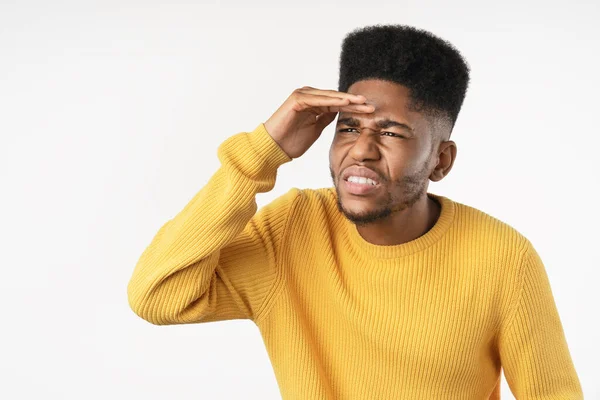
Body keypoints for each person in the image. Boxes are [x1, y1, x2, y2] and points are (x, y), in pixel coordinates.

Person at [127, 24, 583, 399]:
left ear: (440, 161)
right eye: (348, 127)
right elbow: (158, 296)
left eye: (391, 133)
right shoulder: (293, 230)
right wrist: (261, 155)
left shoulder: (504, 258)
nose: (360, 150)